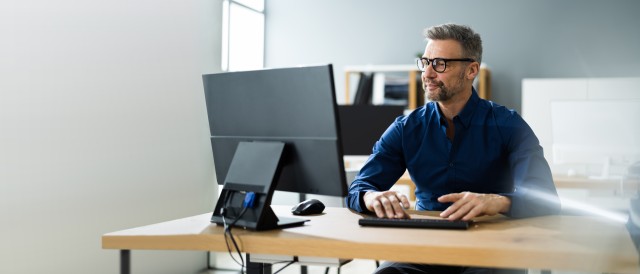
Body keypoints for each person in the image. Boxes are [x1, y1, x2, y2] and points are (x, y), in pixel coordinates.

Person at [345, 23, 561, 274]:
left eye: (440, 64)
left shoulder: (509, 125)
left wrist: (498, 202)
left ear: (471, 70)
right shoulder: (406, 128)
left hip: (492, 247)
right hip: (425, 247)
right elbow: (359, 188)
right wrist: (371, 196)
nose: (427, 73)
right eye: (425, 62)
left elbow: (546, 199)